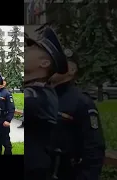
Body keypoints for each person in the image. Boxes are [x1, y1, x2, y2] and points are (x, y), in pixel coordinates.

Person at [49, 49, 106, 180]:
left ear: (72, 70)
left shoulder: (81, 102)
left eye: (59, 62)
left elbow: (94, 149)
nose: (53, 65)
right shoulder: (43, 96)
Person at [24, 27, 68, 180]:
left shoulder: (41, 95)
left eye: (32, 48)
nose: (25, 50)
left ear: (44, 63)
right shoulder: (34, 91)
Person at [0, 78, 15, 155]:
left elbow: (11, 108)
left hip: (3, 120)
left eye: (2, 81)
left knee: (6, 143)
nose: (0, 83)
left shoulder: (7, 93)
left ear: (5, 83)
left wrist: (8, 120)